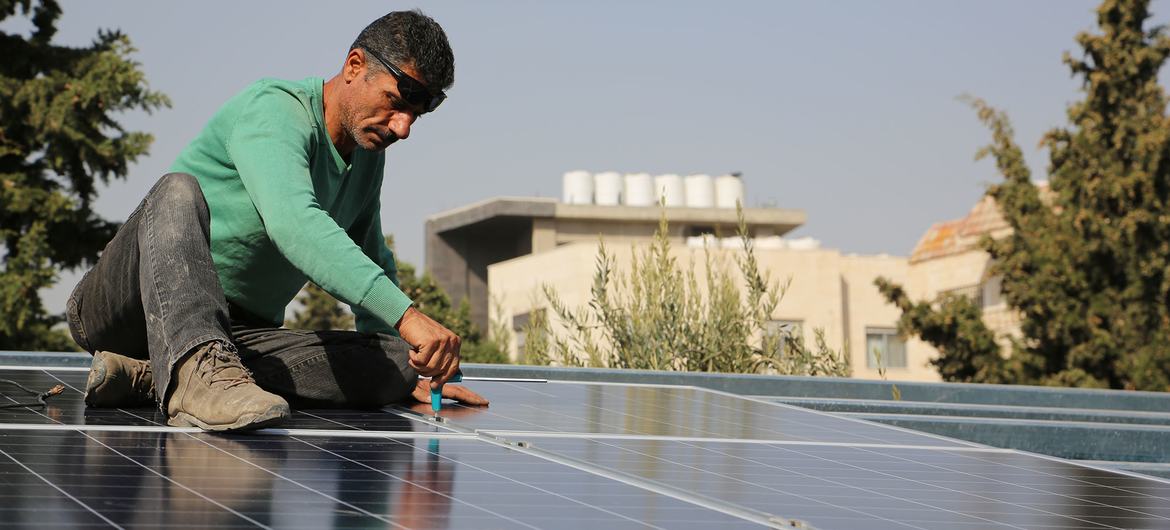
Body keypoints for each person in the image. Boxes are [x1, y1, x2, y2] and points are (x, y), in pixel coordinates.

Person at [66, 10, 487, 432]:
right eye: (396, 103)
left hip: (234, 336)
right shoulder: (275, 109)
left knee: (393, 362)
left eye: (416, 115)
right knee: (176, 190)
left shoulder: (366, 159)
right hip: (131, 305)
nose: (404, 127)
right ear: (354, 66)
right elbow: (295, 224)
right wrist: (407, 316)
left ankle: (153, 377)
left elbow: (370, 254)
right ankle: (192, 375)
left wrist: (411, 370)